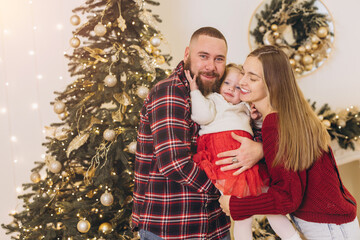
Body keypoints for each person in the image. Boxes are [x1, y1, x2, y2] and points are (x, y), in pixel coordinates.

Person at [132, 27, 263, 240]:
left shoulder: (220, 94)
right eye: (203, 56)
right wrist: (226, 188)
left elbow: (244, 134)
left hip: (215, 226)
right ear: (187, 55)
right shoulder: (170, 92)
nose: (211, 66)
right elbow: (174, 163)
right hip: (172, 227)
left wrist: (259, 148)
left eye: (219, 59)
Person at [218, 45, 360, 240]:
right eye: (243, 72)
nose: (241, 81)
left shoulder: (274, 123)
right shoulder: (288, 116)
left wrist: (237, 206)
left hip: (329, 228)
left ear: (272, 84)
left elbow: (287, 198)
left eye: (252, 78)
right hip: (335, 223)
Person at [185, 64, 301, 240]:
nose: (231, 88)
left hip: (249, 163)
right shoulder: (214, 99)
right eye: (227, 83)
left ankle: (293, 237)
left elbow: (260, 132)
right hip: (225, 162)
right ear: (219, 85)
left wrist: (256, 118)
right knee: (242, 214)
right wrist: (195, 91)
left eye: (238, 87)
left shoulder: (246, 107)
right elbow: (202, 117)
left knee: (271, 204)